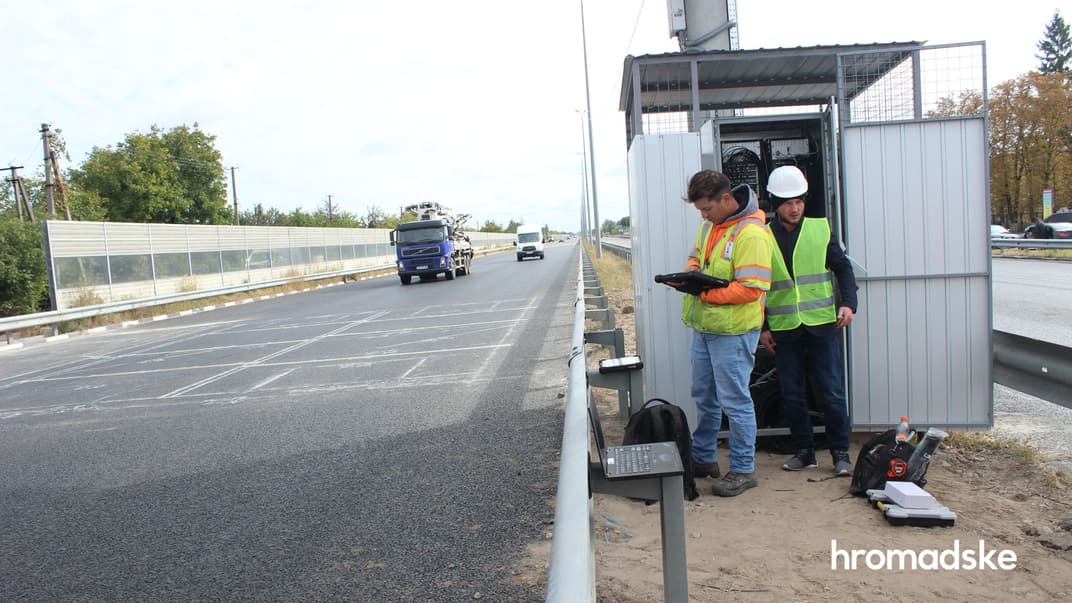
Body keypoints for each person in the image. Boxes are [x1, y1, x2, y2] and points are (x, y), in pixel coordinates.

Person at [664, 170, 773, 497]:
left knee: (735, 400)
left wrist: (704, 294)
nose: (703, 215)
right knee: (705, 396)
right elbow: (697, 256)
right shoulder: (711, 227)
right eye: (700, 210)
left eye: (707, 208)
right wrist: (690, 274)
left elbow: (752, 289)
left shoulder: (751, 234)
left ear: (726, 199)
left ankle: (742, 468)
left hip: (733, 331)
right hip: (705, 327)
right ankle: (704, 458)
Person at [759, 165, 858, 476]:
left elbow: (843, 269)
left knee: (831, 390)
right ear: (775, 203)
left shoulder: (820, 229)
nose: (795, 207)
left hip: (822, 324)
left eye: (799, 201)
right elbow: (757, 285)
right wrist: (763, 327)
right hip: (784, 328)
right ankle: (804, 452)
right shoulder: (761, 236)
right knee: (791, 392)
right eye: (788, 202)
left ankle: (840, 453)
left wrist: (848, 304)